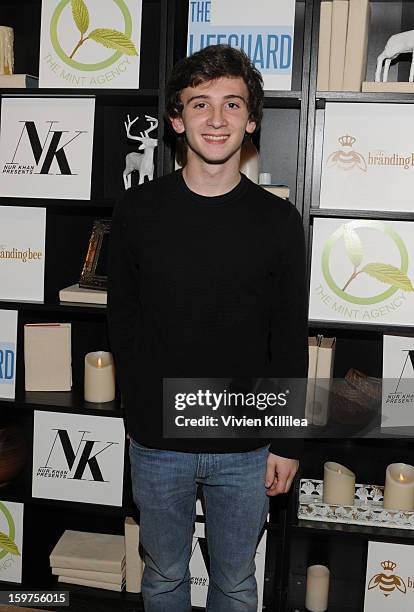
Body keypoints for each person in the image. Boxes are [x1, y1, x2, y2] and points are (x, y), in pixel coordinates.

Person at [107, 44, 308, 612]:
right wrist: (143, 410)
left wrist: (287, 441)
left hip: (247, 444)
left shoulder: (278, 220)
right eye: (200, 104)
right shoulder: (138, 212)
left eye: (232, 104)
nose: (216, 119)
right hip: (158, 443)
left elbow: (290, 336)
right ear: (176, 118)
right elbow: (121, 319)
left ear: (251, 118)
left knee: (236, 584)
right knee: (164, 577)